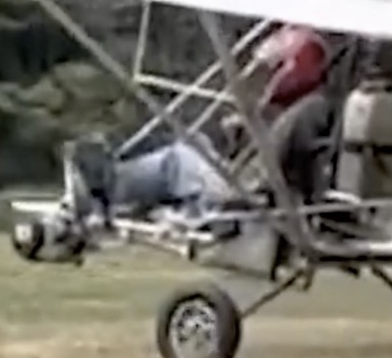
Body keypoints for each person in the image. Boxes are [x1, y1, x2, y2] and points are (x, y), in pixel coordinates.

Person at [66, 25, 335, 224]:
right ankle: (118, 192)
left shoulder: (304, 112)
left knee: (179, 158)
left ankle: (106, 187)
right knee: (196, 144)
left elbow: (267, 170)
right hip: (254, 192)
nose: (267, 79)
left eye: (273, 70)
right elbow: (277, 159)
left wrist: (243, 151)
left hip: (247, 197)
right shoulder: (310, 109)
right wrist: (245, 133)